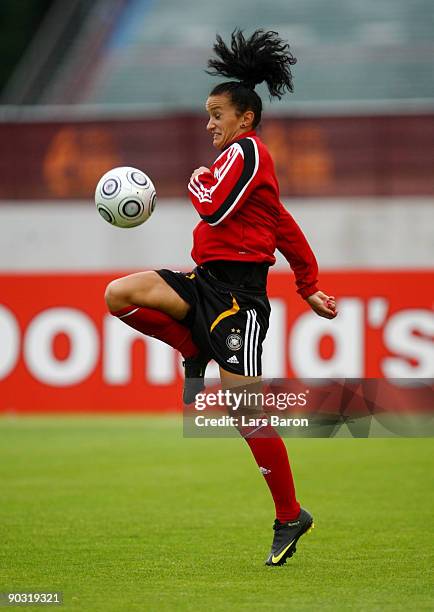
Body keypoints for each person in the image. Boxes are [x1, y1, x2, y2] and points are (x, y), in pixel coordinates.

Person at [105, 29, 337, 566]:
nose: (209, 123)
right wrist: (309, 284)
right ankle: (193, 348)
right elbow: (284, 226)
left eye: (216, 114)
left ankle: (289, 515)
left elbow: (211, 206)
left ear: (244, 119)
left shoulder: (248, 154)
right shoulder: (240, 163)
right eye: (208, 114)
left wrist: (195, 181)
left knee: (244, 410)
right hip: (204, 280)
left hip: (239, 299)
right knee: (121, 294)